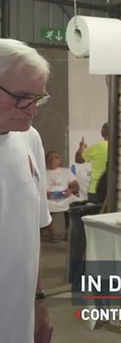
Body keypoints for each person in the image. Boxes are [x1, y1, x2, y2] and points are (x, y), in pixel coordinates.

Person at [0, 39, 54, 342]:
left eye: (37, 98)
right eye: (21, 97)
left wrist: (39, 301)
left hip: (18, 319)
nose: (32, 110)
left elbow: (31, 235)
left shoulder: (29, 139)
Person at [44, 150, 81, 241]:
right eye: (50, 157)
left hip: (65, 197)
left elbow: (76, 186)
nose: (53, 159)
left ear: (60, 160)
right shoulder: (41, 172)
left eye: (56, 157)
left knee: (76, 205)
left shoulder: (66, 171)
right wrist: (44, 193)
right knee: (39, 207)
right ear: (46, 160)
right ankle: (53, 233)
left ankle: (69, 232)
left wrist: (70, 190)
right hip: (47, 198)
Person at [75, 122, 109, 202]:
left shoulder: (97, 147)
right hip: (114, 189)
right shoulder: (120, 146)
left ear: (102, 133)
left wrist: (81, 147)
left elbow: (78, 159)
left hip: (96, 189)